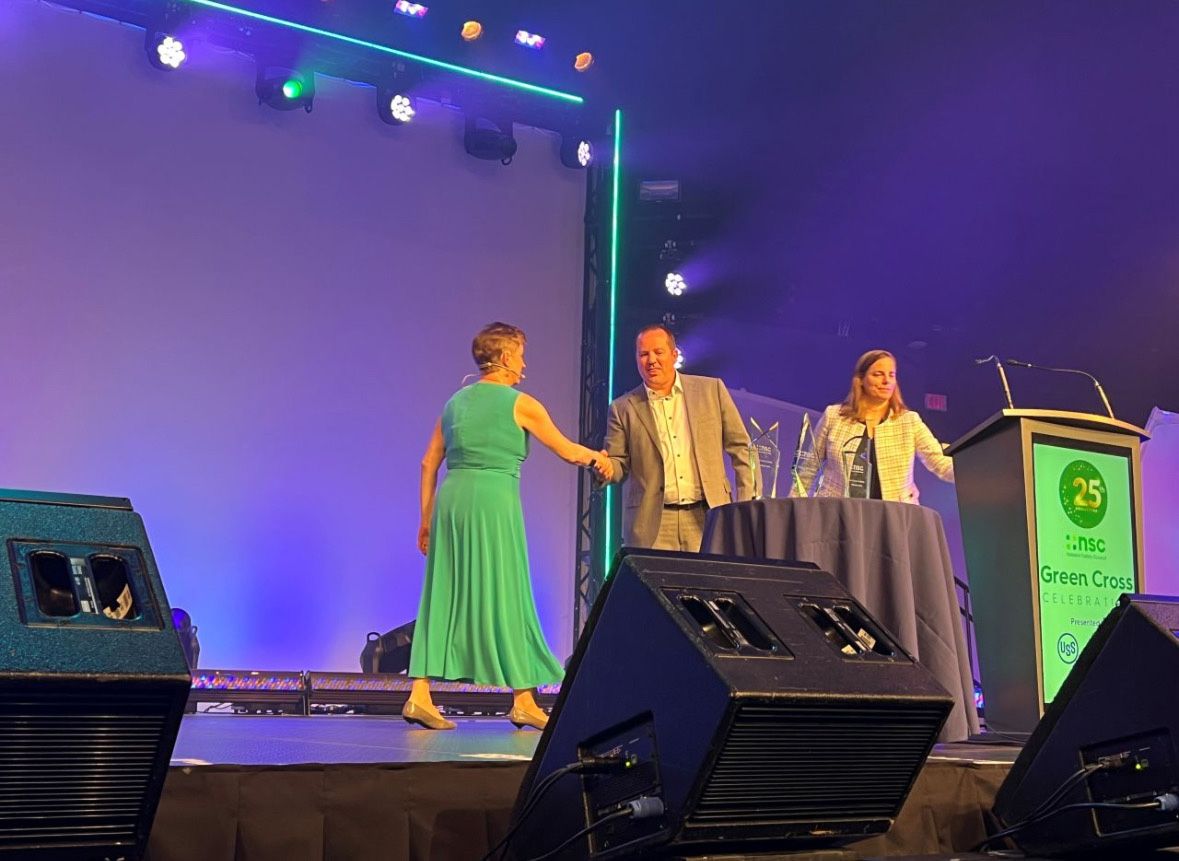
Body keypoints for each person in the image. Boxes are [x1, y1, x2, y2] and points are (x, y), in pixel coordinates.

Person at [403, 322, 610, 731]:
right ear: (504, 357)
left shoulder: (454, 403)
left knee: (443, 594)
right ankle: (523, 700)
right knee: (509, 592)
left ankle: (420, 694)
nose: (524, 364)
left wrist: (425, 521)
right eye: (520, 355)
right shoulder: (521, 404)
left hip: (452, 501)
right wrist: (598, 459)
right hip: (493, 502)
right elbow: (567, 450)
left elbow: (429, 463)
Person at [598, 324, 754, 551]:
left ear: (674, 355)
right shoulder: (622, 408)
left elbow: (741, 447)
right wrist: (605, 467)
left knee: (709, 575)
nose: (651, 360)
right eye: (644, 354)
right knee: (655, 577)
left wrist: (745, 502)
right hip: (653, 524)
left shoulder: (711, 390)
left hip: (708, 515)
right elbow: (617, 462)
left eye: (658, 352)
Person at [792, 349, 953, 502]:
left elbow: (939, 463)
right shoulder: (833, 416)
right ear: (861, 380)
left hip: (894, 514)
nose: (886, 381)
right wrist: (792, 509)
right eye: (878, 374)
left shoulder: (909, 421)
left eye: (891, 375)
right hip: (838, 512)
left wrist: (967, 467)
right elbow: (809, 468)